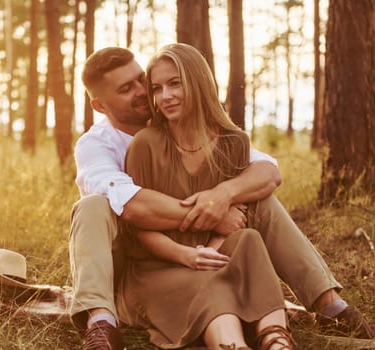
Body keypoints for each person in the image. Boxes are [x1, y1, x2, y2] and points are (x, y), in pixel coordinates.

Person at [70, 46, 374, 350]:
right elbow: (132, 205)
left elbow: (266, 172)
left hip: (198, 241)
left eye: (140, 80)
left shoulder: (179, 123)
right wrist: (212, 212)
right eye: (126, 89)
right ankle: (101, 322)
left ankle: (330, 305)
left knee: (259, 199)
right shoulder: (96, 145)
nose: (142, 91)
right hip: (130, 254)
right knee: (92, 206)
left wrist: (222, 195)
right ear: (99, 106)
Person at [115, 42, 296, 350]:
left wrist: (210, 252)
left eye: (175, 83)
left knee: (249, 240)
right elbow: (139, 230)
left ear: (198, 81)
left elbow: (235, 218)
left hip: (211, 257)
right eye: (157, 89)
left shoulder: (234, 142)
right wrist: (187, 256)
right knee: (212, 282)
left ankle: (275, 338)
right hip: (154, 271)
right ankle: (232, 345)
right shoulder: (146, 144)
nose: (165, 96)